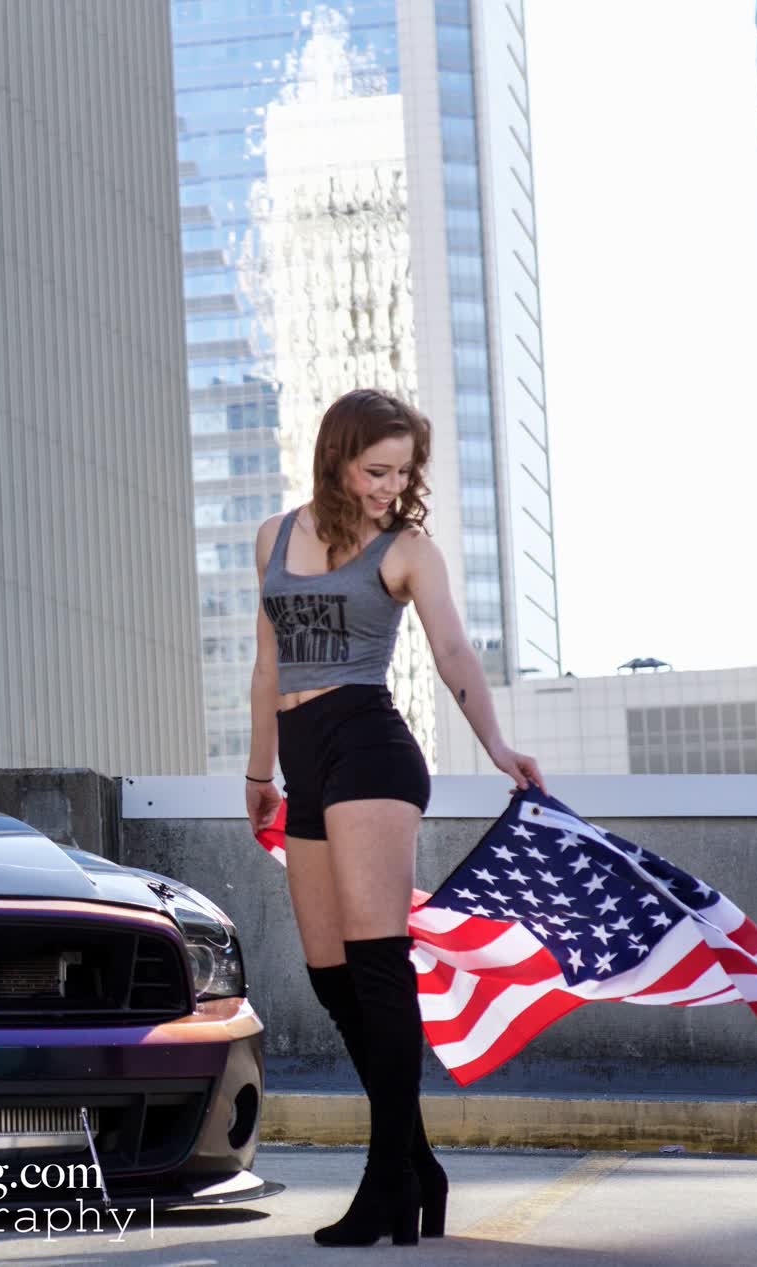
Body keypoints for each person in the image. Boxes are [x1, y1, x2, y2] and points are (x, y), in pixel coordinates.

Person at [243, 388, 544, 1248]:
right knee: (331, 976)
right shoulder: (274, 536)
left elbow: (452, 650)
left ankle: (386, 1186)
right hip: (303, 765)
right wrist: (259, 771)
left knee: (377, 967)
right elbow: (267, 665)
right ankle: (417, 1163)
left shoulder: (409, 550)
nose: (390, 486)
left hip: (371, 753)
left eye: (404, 472)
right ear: (336, 458)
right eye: (376, 469)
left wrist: (496, 743)